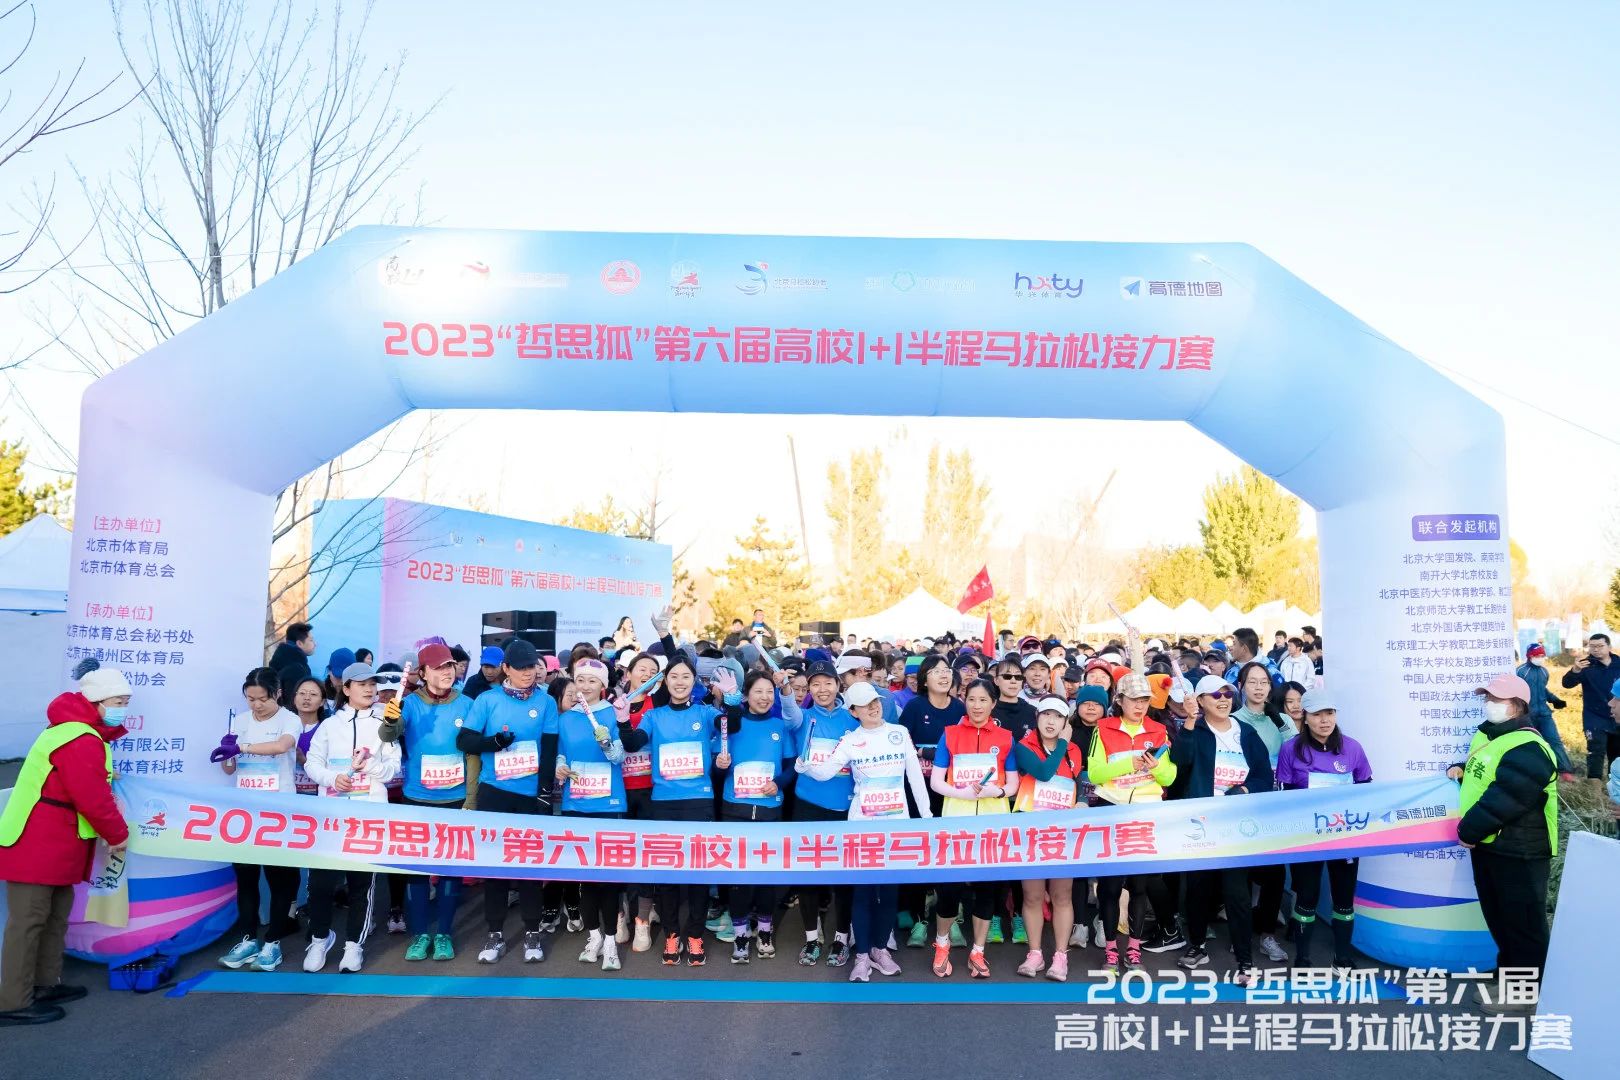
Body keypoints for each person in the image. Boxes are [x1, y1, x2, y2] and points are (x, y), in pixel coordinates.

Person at [0, 666, 132, 1026]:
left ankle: (44, 984)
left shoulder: (77, 731)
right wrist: (118, 833)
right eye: (118, 702)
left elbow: (83, 779)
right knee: (29, 921)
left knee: (55, 915)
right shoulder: (80, 737)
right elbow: (90, 796)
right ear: (97, 702)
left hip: (54, 841)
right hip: (37, 840)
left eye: (125, 702)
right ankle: (12, 1002)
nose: (123, 709)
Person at [797, 681, 932, 983]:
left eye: (876, 701)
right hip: (861, 828)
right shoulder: (850, 740)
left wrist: (926, 817)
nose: (873, 707)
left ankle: (880, 949)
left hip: (896, 826)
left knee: (889, 890)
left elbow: (915, 778)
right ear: (853, 711)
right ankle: (861, 957)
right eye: (865, 704)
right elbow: (826, 771)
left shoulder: (899, 734)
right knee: (863, 891)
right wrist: (806, 767)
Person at [1448, 672, 1558, 1013]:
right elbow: (1486, 774)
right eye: (1487, 698)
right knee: (1500, 916)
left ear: (1517, 706)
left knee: (1522, 922)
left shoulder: (1530, 747)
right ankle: (1509, 975)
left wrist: (1469, 830)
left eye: (1496, 699)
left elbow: (1508, 797)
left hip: (1520, 850)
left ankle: (1526, 991)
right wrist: (1460, 769)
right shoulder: (1490, 734)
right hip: (1491, 844)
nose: (1489, 704)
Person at [457, 640, 558, 964]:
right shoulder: (487, 699)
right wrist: (495, 742)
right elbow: (464, 740)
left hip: (530, 795)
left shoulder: (546, 702)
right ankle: (495, 933)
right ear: (506, 669)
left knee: (530, 866)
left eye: (532, 667)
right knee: (496, 865)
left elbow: (549, 749)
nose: (528, 673)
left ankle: (532, 932)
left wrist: (544, 793)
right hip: (494, 791)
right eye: (521, 668)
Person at [1170, 675, 1274, 984]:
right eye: (1215, 695)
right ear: (1201, 701)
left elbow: (1263, 777)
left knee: (1237, 893)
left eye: (1227, 693)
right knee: (1197, 888)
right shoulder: (1195, 730)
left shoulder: (1247, 733)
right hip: (1200, 823)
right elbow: (1179, 765)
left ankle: (1245, 959)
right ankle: (1197, 945)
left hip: (1237, 825)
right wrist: (1189, 723)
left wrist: (1244, 790)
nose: (1223, 699)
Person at [636, 656, 737, 967]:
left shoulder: (705, 712)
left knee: (698, 873)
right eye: (674, 676)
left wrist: (732, 699)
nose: (680, 682)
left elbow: (731, 725)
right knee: (667, 874)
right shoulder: (654, 716)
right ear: (665, 682)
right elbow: (634, 742)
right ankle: (671, 934)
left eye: (686, 677)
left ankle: (694, 934)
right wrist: (624, 720)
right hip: (663, 803)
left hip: (698, 801)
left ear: (694, 682)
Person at [300, 662, 400, 973]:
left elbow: (393, 768)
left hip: (369, 818)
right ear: (346, 689)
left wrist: (370, 767)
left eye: (372, 683)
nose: (369, 689)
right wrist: (332, 779)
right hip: (332, 818)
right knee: (321, 884)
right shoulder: (330, 725)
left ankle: (354, 944)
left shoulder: (386, 723)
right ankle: (319, 939)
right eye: (361, 684)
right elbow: (312, 763)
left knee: (362, 885)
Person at [1085, 673, 1177, 974]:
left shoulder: (1159, 730)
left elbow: (1169, 778)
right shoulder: (1103, 728)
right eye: (1134, 699)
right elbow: (1095, 773)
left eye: (1144, 700)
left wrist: (1157, 767)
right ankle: (1111, 950)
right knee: (1110, 887)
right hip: (1112, 809)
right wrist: (1129, 763)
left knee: (1139, 885)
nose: (1139, 706)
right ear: (1120, 700)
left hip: (1146, 813)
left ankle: (1134, 950)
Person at [384, 642, 469, 962]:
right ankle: (420, 934)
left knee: (450, 871)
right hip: (417, 798)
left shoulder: (467, 703)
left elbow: (476, 749)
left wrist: (473, 798)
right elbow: (389, 735)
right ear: (423, 673)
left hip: (456, 799)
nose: (447, 672)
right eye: (439, 667)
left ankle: (444, 934)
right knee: (417, 870)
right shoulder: (408, 703)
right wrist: (390, 720)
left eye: (450, 666)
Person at [928, 677, 1017, 978]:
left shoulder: (1006, 738)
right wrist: (963, 793)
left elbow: (1013, 783)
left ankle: (978, 951)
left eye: (983, 700)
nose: (977, 706)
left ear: (994, 703)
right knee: (949, 888)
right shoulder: (950, 734)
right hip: (956, 821)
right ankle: (942, 944)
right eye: (971, 699)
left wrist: (997, 791)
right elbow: (936, 781)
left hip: (993, 823)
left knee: (986, 890)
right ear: (964, 701)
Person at [213, 668, 302, 972]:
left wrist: (241, 746)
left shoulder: (289, 719)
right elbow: (229, 769)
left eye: (262, 698)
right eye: (250, 699)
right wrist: (227, 753)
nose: (256, 705)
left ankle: (273, 942)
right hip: (245, 813)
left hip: (279, 812)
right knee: (246, 878)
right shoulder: (239, 721)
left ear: (277, 693)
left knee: (278, 879)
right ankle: (248, 940)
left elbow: (282, 746)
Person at [1276, 688, 1371, 969]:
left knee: (1344, 899)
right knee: (1307, 898)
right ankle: (1302, 959)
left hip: (1345, 837)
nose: (1325, 720)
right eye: (1317, 714)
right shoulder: (1290, 749)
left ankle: (1342, 958)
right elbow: (1283, 794)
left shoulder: (1353, 748)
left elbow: (1366, 788)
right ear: (1305, 717)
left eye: (1329, 713)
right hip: (1307, 837)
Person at [554, 657, 636, 972]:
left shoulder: (613, 713)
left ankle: (612, 941)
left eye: (592, 681)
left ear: (603, 685)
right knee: (585, 878)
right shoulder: (566, 719)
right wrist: (560, 767)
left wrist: (607, 744)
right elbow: (561, 754)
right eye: (580, 680)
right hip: (576, 804)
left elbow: (619, 757)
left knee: (608, 879)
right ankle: (593, 937)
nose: (585, 686)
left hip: (609, 805)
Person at [716, 670, 801, 963]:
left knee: (766, 874)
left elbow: (792, 766)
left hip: (769, 810)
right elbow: (717, 767)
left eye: (769, 692)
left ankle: (765, 931)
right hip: (735, 810)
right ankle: (740, 934)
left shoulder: (780, 726)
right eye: (758, 692)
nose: (764, 697)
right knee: (738, 876)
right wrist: (720, 765)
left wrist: (778, 783)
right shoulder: (732, 725)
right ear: (746, 695)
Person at [789, 659, 859, 966]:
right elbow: (787, 708)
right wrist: (783, 687)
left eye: (827, 683)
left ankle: (841, 937)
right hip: (807, 805)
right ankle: (811, 938)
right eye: (815, 684)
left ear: (838, 685)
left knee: (843, 877)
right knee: (808, 876)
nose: (822, 689)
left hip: (844, 808)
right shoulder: (801, 717)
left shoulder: (852, 719)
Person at [1012, 696, 1083, 981]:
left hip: (1063, 832)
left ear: (1065, 721)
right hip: (1031, 830)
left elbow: (1080, 780)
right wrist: (1063, 743)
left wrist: (1083, 801)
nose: (1051, 722)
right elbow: (1043, 772)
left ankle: (1061, 956)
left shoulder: (1075, 750)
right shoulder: (1024, 746)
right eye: (1045, 715)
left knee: (1062, 895)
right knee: (1031, 895)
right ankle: (1035, 953)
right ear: (1037, 718)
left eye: (1058, 716)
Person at [1232, 660, 1291, 963]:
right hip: (1242, 806)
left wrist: (1279, 720)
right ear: (1241, 686)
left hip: (1274, 808)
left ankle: (1267, 934)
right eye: (1252, 682)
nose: (1259, 687)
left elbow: (1296, 749)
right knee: (1241, 876)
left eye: (1264, 682)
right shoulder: (1232, 720)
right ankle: (1240, 935)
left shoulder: (1281, 720)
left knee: (1274, 874)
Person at [1560, 633, 1619, 785]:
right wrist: (1575, 670)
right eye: (1592, 646)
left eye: (1600, 646)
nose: (1596, 650)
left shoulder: (1618, 664)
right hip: (1594, 717)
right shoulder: (1585, 665)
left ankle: (1614, 786)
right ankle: (1594, 789)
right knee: (1595, 751)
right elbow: (1566, 684)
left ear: (1609, 647)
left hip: (1616, 715)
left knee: (1616, 754)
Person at [1516, 643, 1574, 778]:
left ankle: (1565, 771)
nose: (1540, 658)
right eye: (1537, 655)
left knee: (1555, 741)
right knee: (1531, 744)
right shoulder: (1520, 671)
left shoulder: (1544, 672)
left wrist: (1554, 700)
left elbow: (1542, 689)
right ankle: (1531, 772)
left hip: (1544, 714)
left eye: (1542, 655)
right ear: (1529, 656)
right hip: (1527, 715)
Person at [991, 656, 1037, 741]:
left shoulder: (1033, 712)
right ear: (996, 680)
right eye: (1007, 676)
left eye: (1018, 677)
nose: (1013, 681)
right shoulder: (988, 710)